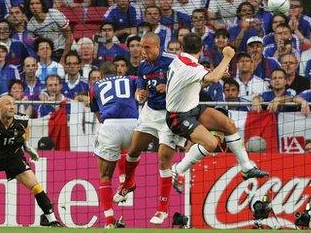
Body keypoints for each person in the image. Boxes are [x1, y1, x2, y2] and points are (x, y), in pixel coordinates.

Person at [166, 33, 268, 194]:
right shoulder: (191, 67)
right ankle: (177, 170)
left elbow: (202, 77)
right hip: (178, 116)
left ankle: (246, 167)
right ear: (201, 48)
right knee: (211, 143)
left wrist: (215, 71)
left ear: (182, 48)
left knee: (228, 124)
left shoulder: (179, 60)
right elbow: (213, 78)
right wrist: (227, 57)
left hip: (192, 108)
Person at [113, 33, 186, 225]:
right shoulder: (143, 66)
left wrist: (169, 86)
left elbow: (189, 81)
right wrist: (140, 95)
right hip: (150, 113)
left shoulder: (174, 61)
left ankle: (162, 209)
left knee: (163, 160)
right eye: (141, 47)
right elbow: (139, 89)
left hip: (169, 115)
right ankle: (129, 183)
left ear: (157, 47)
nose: (142, 52)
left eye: (146, 48)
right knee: (133, 150)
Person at [0, 95, 60, 227]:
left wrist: (26, 145)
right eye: (8, 104)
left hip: (14, 158)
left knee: (36, 186)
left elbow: (26, 130)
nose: (12, 107)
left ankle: (51, 219)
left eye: (13, 104)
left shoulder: (22, 120)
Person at [91, 62, 138, 228]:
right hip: (134, 125)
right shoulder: (131, 79)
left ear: (102, 75)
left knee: (104, 177)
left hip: (110, 125)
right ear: (118, 71)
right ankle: (127, 180)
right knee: (129, 149)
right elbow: (142, 89)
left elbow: (98, 115)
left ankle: (109, 222)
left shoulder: (95, 86)